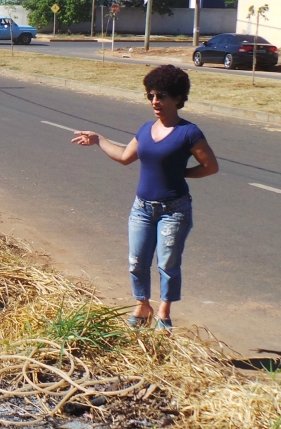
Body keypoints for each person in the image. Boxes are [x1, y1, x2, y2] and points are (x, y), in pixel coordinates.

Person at [71, 65, 219, 330]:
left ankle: (164, 312)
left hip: (174, 210)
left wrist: (181, 173)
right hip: (141, 209)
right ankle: (143, 306)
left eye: (161, 95)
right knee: (137, 262)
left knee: (167, 263)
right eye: (151, 95)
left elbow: (210, 167)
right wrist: (99, 140)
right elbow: (125, 157)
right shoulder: (145, 129)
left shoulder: (189, 132)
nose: (155, 101)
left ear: (177, 98)